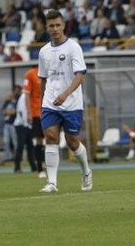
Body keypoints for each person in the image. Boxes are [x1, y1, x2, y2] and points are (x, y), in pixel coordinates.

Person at [37, 10, 92, 193]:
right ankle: (52, 182)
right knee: (51, 137)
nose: (54, 29)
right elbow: (43, 79)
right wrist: (41, 101)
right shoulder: (43, 51)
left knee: (72, 142)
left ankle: (86, 171)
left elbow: (80, 76)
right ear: (47, 27)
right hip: (50, 103)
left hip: (72, 103)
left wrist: (66, 94)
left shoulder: (73, 47)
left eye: (57, 25)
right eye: (51, 26)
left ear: (63, 25)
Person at [23, 66, 46, 178]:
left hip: (50, 111)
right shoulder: (31, 74)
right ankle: (40, 168)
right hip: (37, 113)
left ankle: (49, 165)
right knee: (39, 140)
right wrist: (29, 113)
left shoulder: (50, 71)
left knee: (52, 139)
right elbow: (27, 94)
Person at [13, 84, 37, 174]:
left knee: (30, 147)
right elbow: (22, 112)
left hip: (27, 125)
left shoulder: (28, 95)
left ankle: (33, 167)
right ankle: (17, 167)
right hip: (21, 125)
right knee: (20, 146)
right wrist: (28, 123)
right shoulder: (24, 97)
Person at [1, 87, 19, 163]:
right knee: (6, 141)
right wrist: (9, 112)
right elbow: (3, 112)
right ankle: (7, 157)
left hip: (13, 124)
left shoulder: (15, 102)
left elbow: (15, 112)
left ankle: (17, 157)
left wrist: (8, 112)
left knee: (15, 141)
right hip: (7, 124)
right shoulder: (6, 102)